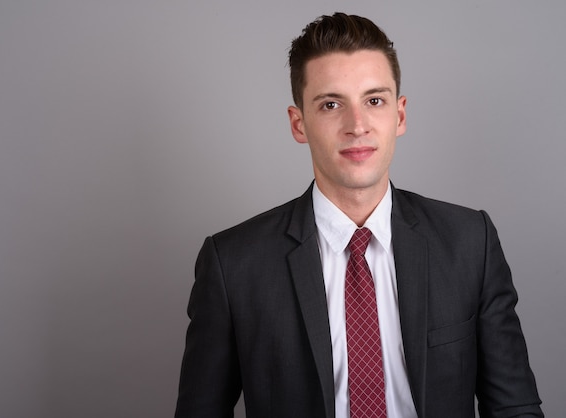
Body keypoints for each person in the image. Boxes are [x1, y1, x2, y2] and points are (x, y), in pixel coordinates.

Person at [174, 12, 543, 418]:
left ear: (399, 115)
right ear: (299, 124)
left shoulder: (471, 243)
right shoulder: (233, 264)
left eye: (374, 100)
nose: (357, 125)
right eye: (331, 104)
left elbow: (515, 408)